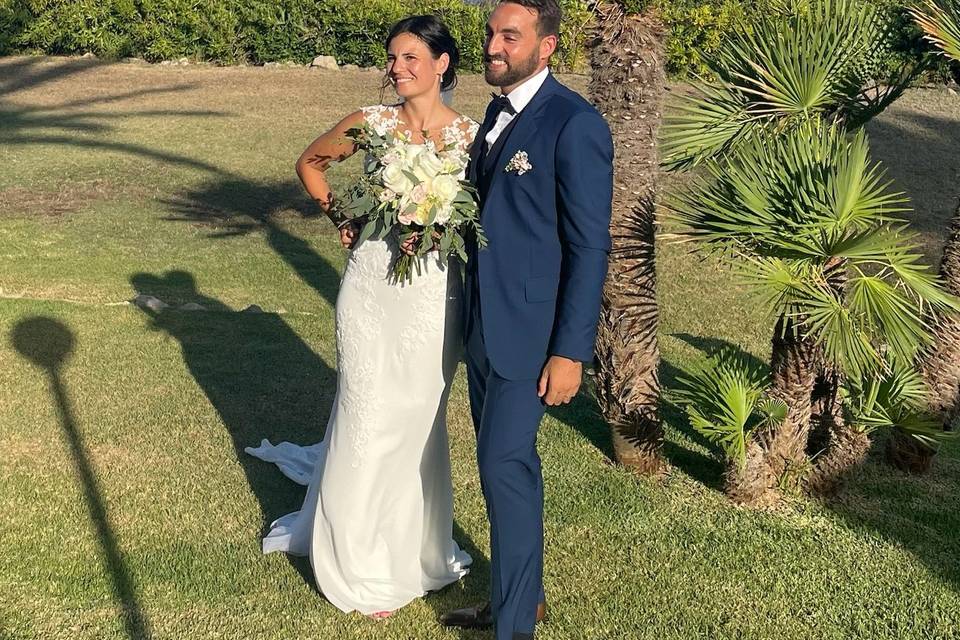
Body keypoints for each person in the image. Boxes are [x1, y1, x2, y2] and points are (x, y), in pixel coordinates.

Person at [245, 15, 479, 619]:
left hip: (432, 292)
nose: (398, 70)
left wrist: (442, 230)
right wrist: (340, 220)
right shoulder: (371, 125)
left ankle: (414, 545)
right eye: (393, 59)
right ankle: (356, 557)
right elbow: (310, 164)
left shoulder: (473, 140)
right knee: (366, 409)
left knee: (418, 414)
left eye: (410, 58)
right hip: (371, 286)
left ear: (442, 63)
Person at [439, 1, 613, 638]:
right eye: (490, 34)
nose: (493, 46)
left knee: (504, 466)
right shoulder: (496, 112)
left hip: (533, 336)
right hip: (486, 324)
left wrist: (571, 351)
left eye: (509, 36)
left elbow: (590, 245)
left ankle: (514, 626)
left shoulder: (575, 125)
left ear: (547, 48)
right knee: (502, 467)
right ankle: (522, 597)